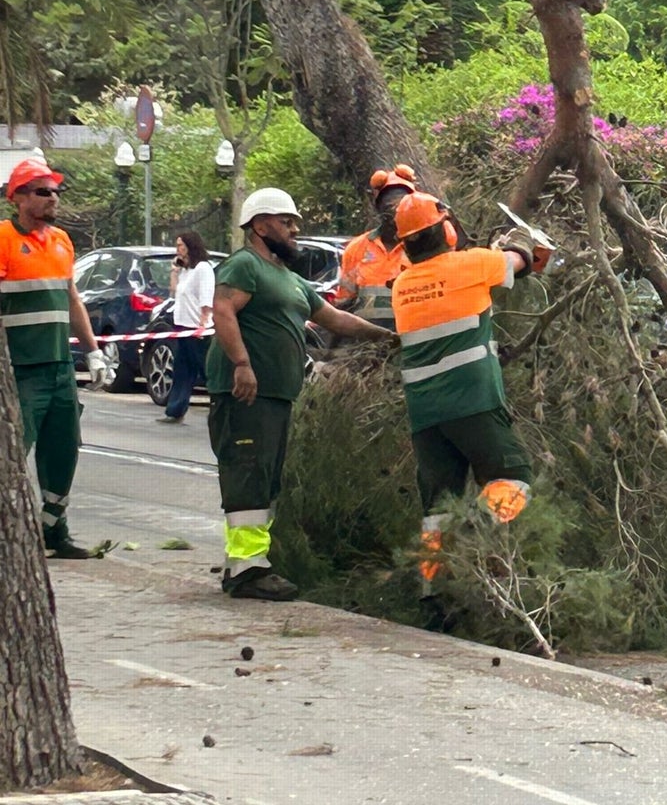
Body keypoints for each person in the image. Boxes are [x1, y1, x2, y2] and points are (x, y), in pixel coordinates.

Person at [207, 187, 402, 601]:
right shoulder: (244, 266)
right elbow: (223, 310)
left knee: (266, 476)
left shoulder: (290, 280)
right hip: (246, 395)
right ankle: (246, 570)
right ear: (260, 225)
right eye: (286, 221)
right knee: (248, 474)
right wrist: (242, 364)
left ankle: (248, 562)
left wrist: (386, 336)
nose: (295, 229)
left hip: (277, 395)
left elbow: (333, 317)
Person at [388, 191, 543, 587]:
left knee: (437, 507)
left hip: (424, 413)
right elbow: (518, 264)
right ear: (444, 228)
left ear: (406, 242)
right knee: (515, 476)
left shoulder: (402, 285)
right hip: (473, 401)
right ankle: (471, 530)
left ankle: (433, 590)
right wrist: (520, 240)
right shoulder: (473, 264)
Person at [0, 157, 110, 559]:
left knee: (64, 449)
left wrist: (94, 352)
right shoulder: (4, 240)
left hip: (60, 367)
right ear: (18, 198)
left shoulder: (62, 241)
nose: (54, 199)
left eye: (56, 192)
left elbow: (71, 298)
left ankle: (54, 529)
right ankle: (10, 538)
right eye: (44, 192)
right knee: (13, 453)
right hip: (20, 370)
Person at [333, 164, 421, 328]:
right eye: (390, 207)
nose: (396, 212)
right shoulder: (357, 248)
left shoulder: (423, 245)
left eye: (402, 205)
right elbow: (344, 302)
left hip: (412, 342)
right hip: (367, 342)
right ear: (378, 207)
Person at [157, 230, 215, 423]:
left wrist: (203, 323)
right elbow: (174, 290)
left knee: (205, 368)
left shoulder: (203, 268)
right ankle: (175, 410)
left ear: (190, 246)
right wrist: (175, 270)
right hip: (181, 324)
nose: (178, 249)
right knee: (182, 369)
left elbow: (206, 297)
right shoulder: (186, 270)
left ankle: (222, 404)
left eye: (181, 245)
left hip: (197, 327)